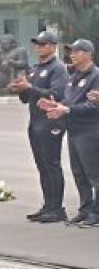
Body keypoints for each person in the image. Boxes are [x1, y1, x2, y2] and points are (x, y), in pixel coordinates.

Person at [7, 31, 68, 223]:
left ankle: (57, 208)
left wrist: (31, 87)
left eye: (43, 44)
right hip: (35, 123)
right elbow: (27, 98)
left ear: (53, 46)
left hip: (51, 122)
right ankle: (48, 205)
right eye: (37, 44)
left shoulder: (57, 68)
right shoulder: (34, 69)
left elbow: (56, 94)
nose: (39, 48)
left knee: (52, 164)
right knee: (42, 166)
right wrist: (20, 88)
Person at [41, 40, 99, 227]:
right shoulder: (74, 75)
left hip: (90, 130)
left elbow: (93, 106)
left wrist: (66, 110)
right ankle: (85, 209)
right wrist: (56, 105)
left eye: (77, 51)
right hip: (74, 130)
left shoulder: (95, 76)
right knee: (79, 173)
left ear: (89, 54)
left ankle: (96, 213)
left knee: (94, 174)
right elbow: (69, 99)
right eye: (71, 51)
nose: (72, 55)